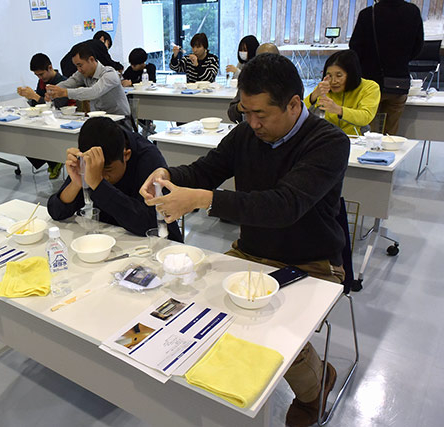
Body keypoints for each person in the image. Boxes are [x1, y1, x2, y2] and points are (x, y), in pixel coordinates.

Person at [140, 54, 349, 427]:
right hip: (253, 253)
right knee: (199, 302)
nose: (251, 123)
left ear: (293, 105)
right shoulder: (246, 133)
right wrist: (167, 173)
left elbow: (286, 205)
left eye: (260, 115)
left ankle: (316, 386)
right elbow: (208, 169)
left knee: (270, 327)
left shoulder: (328, 142)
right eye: (244, 112)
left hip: (310, 261)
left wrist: (203, 199)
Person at [47, 117, 181, 242]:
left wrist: (98, 184)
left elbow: (153, 223)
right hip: (108, 238)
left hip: (147, 244)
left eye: (108, 171)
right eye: (94, 170)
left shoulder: (148, 158)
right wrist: (76, 183)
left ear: (126, 155)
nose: (102, 176)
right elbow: (56, 212)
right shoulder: (89, 158)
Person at [349, 0, 423, 134]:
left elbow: (355, 48)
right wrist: (400, 61)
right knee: (391, 132)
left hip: (371, 82)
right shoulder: (413, 12)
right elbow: (418, 46)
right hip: (400, 81)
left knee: (368, 132)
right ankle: (389, 154)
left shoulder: (368, 14)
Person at [304, 49, 380, 135]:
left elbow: (365, 117)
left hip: (356, 139)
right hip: (327, 138)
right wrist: (313, 96)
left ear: (352, 74)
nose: (333, 81)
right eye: (329, 75)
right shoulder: (324, 87)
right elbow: (299, 113)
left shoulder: (369, 87)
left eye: (339, 75)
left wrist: (338, 110)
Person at [16, 53, 67, 179]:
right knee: (25, 135)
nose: (40, 77)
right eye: (37, 75)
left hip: (60, 120)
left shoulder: (62, 82)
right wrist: (29, 96)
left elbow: (57, 106)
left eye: (41, 74)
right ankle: (52, 160)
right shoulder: (42, 82)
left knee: (37, 135)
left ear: (50, 68)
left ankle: (54, 159)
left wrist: (34, 96)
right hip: (44, 119)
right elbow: (37, 104)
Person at [47, 43, 131, 118]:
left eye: (80, 65)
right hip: (98, 120)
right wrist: (53, 90)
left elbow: (94, 92)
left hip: (119, 121)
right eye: (76, 66)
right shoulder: (83, 74)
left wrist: (65, 93)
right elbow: (68, 83)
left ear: (91, 59)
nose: (79, 69)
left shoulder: (110, 74)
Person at [227, 43, 280, 123]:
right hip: (250, 130)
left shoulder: (286, 81)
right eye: (261, 61)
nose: (266, 65)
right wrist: (240, 107)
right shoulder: (248, 81)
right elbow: (231, 112)